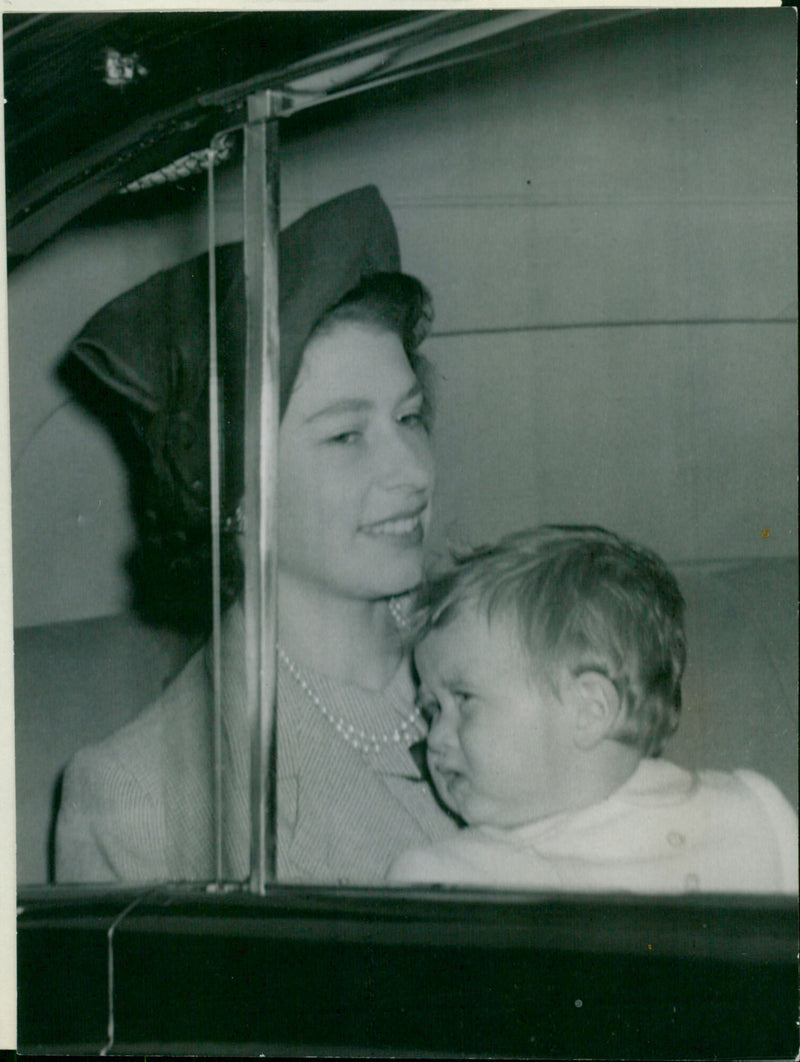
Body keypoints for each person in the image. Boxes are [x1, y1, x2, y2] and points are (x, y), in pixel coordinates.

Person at [55, 186, 459, 884]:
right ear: (233, 494)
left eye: (410, 418)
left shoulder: (510, 635)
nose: (412, 470)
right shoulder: (142, 797)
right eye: (345, 435)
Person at [387, 525, 798, 893]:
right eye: (432, 711)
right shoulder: (447, 880)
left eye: (463, 700)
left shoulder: (751, 811)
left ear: (589, 710)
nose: (435, 738)